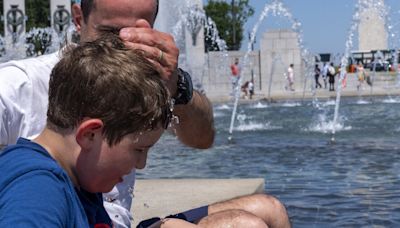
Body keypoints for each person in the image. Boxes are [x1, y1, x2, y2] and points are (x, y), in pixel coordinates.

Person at [0, 0, 290, 227]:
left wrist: (176, 86)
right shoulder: (23, 87)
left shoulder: (146, 85)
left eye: (141, 34)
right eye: (111, 32)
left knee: (269, 210)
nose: (125, 45)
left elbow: (204, 140)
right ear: (78, 19)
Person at [0, 36, 171, 227]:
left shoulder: (80, 179)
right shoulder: (39, 189)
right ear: (90, 134)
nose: (141, 164)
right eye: (139, 150)